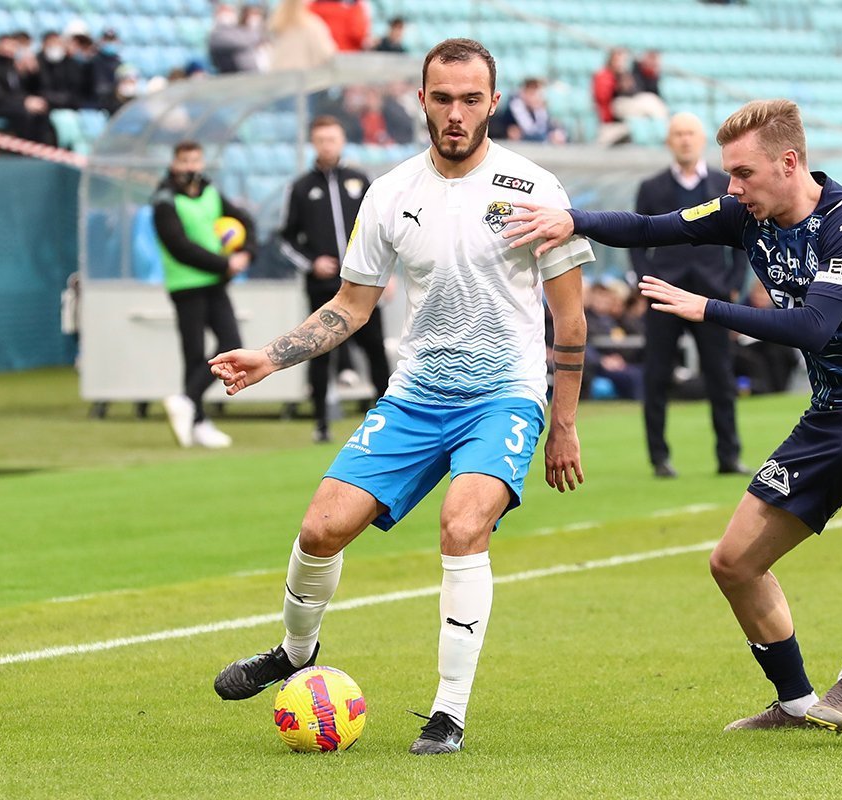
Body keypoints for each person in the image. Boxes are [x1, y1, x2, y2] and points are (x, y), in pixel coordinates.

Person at [504, 98, 842, 734]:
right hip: (830, 414)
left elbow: (816, 326)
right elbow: (651, 226)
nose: (732, 187)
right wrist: (571, 219)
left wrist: (707, 308)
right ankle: (796, 703)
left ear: (789, 163)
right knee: (733, 563)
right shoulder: (742, 214)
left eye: (744, 173)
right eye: (729, 174)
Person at [209, 39, 594, 756]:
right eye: (442, 98)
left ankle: (447, 713)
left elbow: (569, 320)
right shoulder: (389, 193)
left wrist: (563, 423)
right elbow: (351, 306)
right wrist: (270, 356)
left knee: (462, 525)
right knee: (320, 530)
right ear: (420, 100)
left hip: (503, 396)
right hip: (415, 396)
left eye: (470, 99)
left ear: (493, 102)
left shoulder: (536, 189)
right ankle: (295, 652)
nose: (456, 113)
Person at [631, 112, 748, 478]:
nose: (684, 139)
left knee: (721, 376)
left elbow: (743, 237)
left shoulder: (723, 184)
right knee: (656, 376)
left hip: (712, 294)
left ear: (701, 140)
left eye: (690, 133)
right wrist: (646, 280)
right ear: (669, 141)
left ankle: (728, 456)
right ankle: (658, 458)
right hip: (664, 293)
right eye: (678, 134)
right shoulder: (651, 188)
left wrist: (733, 283)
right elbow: (636, 239)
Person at [279, 115, 392, 442]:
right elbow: (286, 239)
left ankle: (388, 421)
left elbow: (381, 230)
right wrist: (312, 262)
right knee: (318, 350)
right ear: (313, 144)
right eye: (321, 140)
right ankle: (321, 422)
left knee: (375, 350)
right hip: (323, 288)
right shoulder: (301, 187)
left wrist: (388, 272)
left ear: (342, 141)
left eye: (332, 139)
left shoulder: (360, 180)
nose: (327, 145)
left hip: (364, 285)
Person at [152, 140, 257, 449]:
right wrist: (224, 264)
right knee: (194, 352)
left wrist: (246, 253)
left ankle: (187, 402)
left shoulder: (210, 192)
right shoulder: (164, 200)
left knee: (231, 343)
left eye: (195, 160)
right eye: (185, 161)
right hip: (186, 285)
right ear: (174, 164)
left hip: (215, 283)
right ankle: (197, 419)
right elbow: (179, 246)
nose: (191, 167)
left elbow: (245, 221)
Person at [0, 33, 56, 145]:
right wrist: (24, 102)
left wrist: (33, 73)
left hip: (7, 104)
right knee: (23, 112)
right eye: (8, 45)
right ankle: (25, 149)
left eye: (14, 46)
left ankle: (43, 148)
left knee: (40, 110)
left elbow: (24, 90)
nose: (10, 49)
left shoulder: (11, 68)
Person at [265, 0, 336, 72]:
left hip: (279, 75)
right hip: (304, 75)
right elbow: (326, 53)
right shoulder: (312, 25)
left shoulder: (276, 24)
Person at [494, 77, 566, 144]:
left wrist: (555, 133)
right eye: (533, 93)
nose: (537, 98)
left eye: (539, 94)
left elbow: (545, 127)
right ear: (524, 93)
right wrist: (548, 137)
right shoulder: (514, 108)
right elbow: (530, 131)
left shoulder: (539, 109)